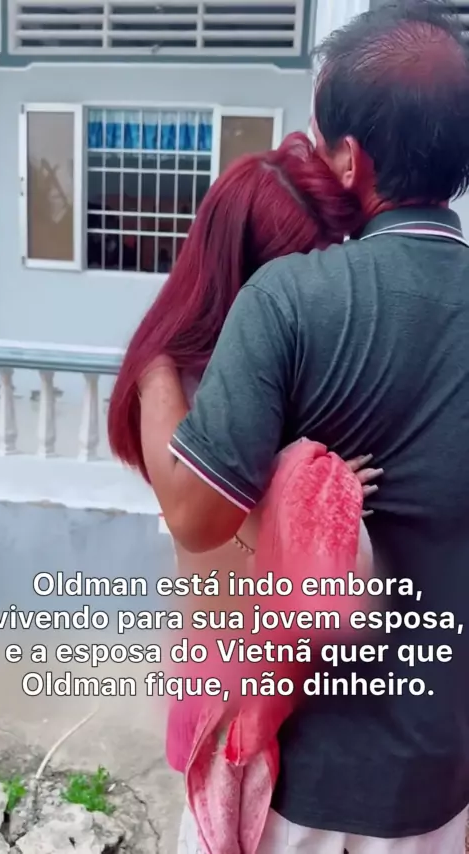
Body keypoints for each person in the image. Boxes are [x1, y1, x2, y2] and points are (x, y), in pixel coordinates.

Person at [121, 0, 469, 851]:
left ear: (352, 157)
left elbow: (195, 516)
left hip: (292, 785)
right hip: (441, 784)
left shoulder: (291, 301)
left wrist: (154, 362)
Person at [108, 133, 380, 851]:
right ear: (253, 273)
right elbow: (198, 517)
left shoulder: (300, 361)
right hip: (226, 684)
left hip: (296, 687)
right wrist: (310, 489)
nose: (328, 290)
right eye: (310, 266)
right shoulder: (171, 377)